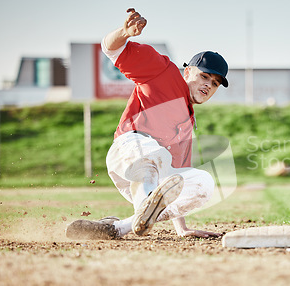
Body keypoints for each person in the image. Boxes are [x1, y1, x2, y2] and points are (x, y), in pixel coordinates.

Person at [66, 8, 228, 240]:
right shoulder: (164, 71)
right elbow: (111, 49)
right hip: (129, 150)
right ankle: (143, 208)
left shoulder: (188, 122)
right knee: (157, 156)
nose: (208, 85)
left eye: (214, 84)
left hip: (150, 179)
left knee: (204, 183)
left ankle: (117, 228)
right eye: (204, 76)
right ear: (188, 71)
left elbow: (174, 181)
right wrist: (124, 32)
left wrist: (181, 228)